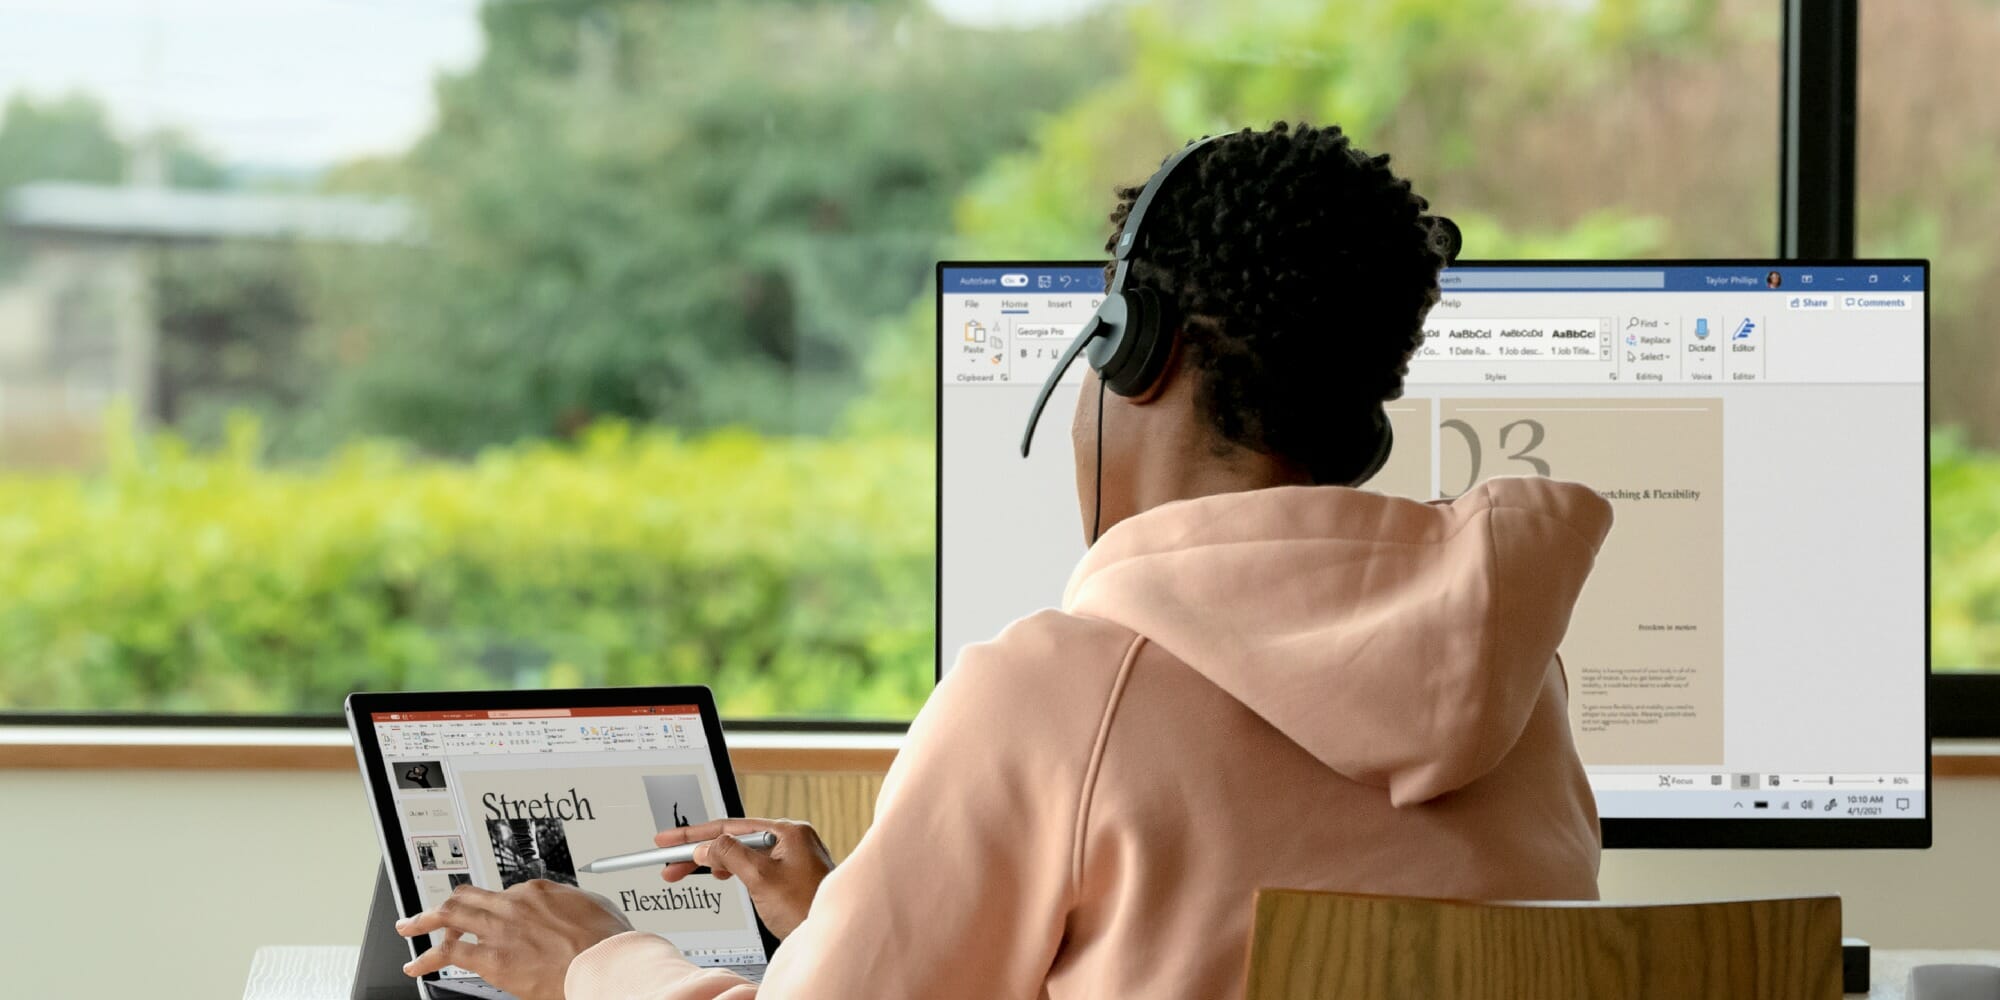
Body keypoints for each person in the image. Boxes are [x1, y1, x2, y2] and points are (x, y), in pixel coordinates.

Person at [396, 121, 1613, 1000]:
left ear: (1140, 353)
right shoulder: (1517, 694)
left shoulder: (1057, 693)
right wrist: (847, 930)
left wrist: (597, 963)